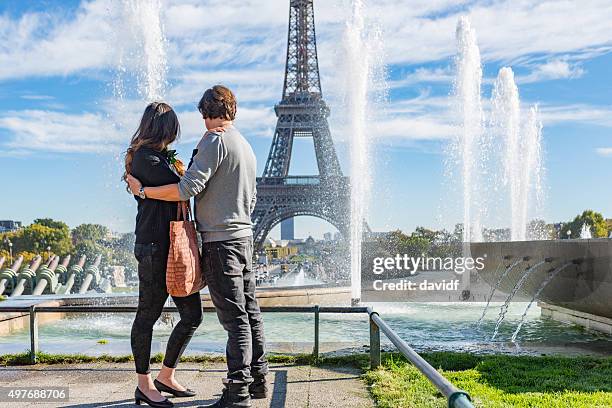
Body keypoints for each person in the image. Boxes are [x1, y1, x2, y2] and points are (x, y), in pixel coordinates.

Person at [127, 85, 268, 408]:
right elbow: (252, 196)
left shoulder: (214, 141)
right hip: (202, 242)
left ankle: (236, 392)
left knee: (228, 319)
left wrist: (144, 191)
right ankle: (149, 383)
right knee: (248, 315)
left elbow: (186, 187)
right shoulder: (245, 145)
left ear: (206, 112)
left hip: (216, 242)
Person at [124, 102, 203, 408]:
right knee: (148, 315)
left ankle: (165, 376)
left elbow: (180, 185)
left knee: (192, 316)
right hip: (154, 247)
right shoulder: (145, 158)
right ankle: (144, 384)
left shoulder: (160, 158)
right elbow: (182, 188)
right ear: (164, 127)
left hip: (172, 247)